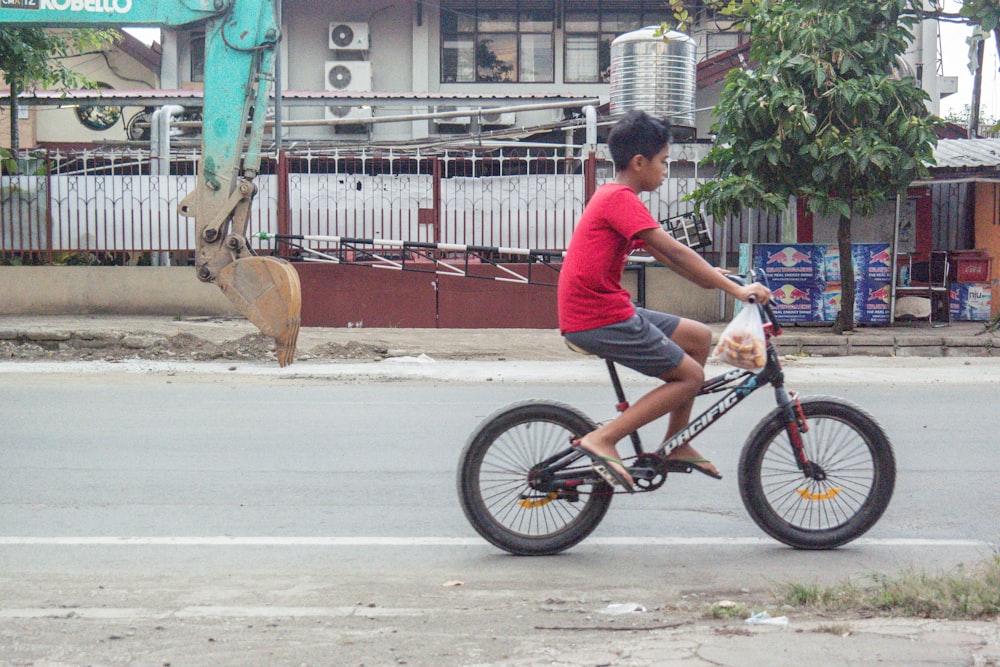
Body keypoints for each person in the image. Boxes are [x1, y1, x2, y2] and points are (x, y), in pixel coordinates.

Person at [558, 110, 770, 491]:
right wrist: (736, 291)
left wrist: (723, 279)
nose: (666, 170)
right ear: (639, 163)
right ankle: (604, 438)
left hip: (602, 308)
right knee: (691, 377)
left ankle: (678, 442)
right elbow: (673, 252)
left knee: (698, 338)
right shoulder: (619, 199)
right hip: (597, 315)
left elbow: (672, 258)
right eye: (664, 161)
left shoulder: (617, 197)